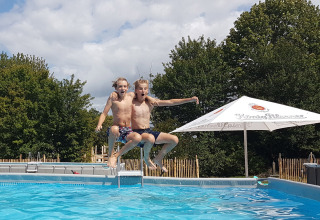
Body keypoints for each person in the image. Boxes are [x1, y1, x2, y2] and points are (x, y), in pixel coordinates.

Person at [131, 79, 199, 172]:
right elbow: (122, 95)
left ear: (147, 90)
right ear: (135, 90)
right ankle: (146, 158)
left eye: (145, 89)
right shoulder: (131, 102)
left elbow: (171, 102)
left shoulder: (151, 103)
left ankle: (158, 158)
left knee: (174, 139)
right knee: (150, 138)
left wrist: (189, 99)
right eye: (140, 89)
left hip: (148, 131)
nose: (143, 91)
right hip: (137, 133)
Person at [95, 77, 146, 168]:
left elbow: (141, 93)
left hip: (128, 131)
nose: (122, 88)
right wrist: (99, 125)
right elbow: (104, 113)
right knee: (114, 128)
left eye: (125, 86)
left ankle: (116, 156)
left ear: (127, 88)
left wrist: (149, 96)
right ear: (116, 88)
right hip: (116, 131)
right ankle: (110, 155)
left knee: (137, 138)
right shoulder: (113, 98)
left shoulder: (131, 96)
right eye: (120, 86)